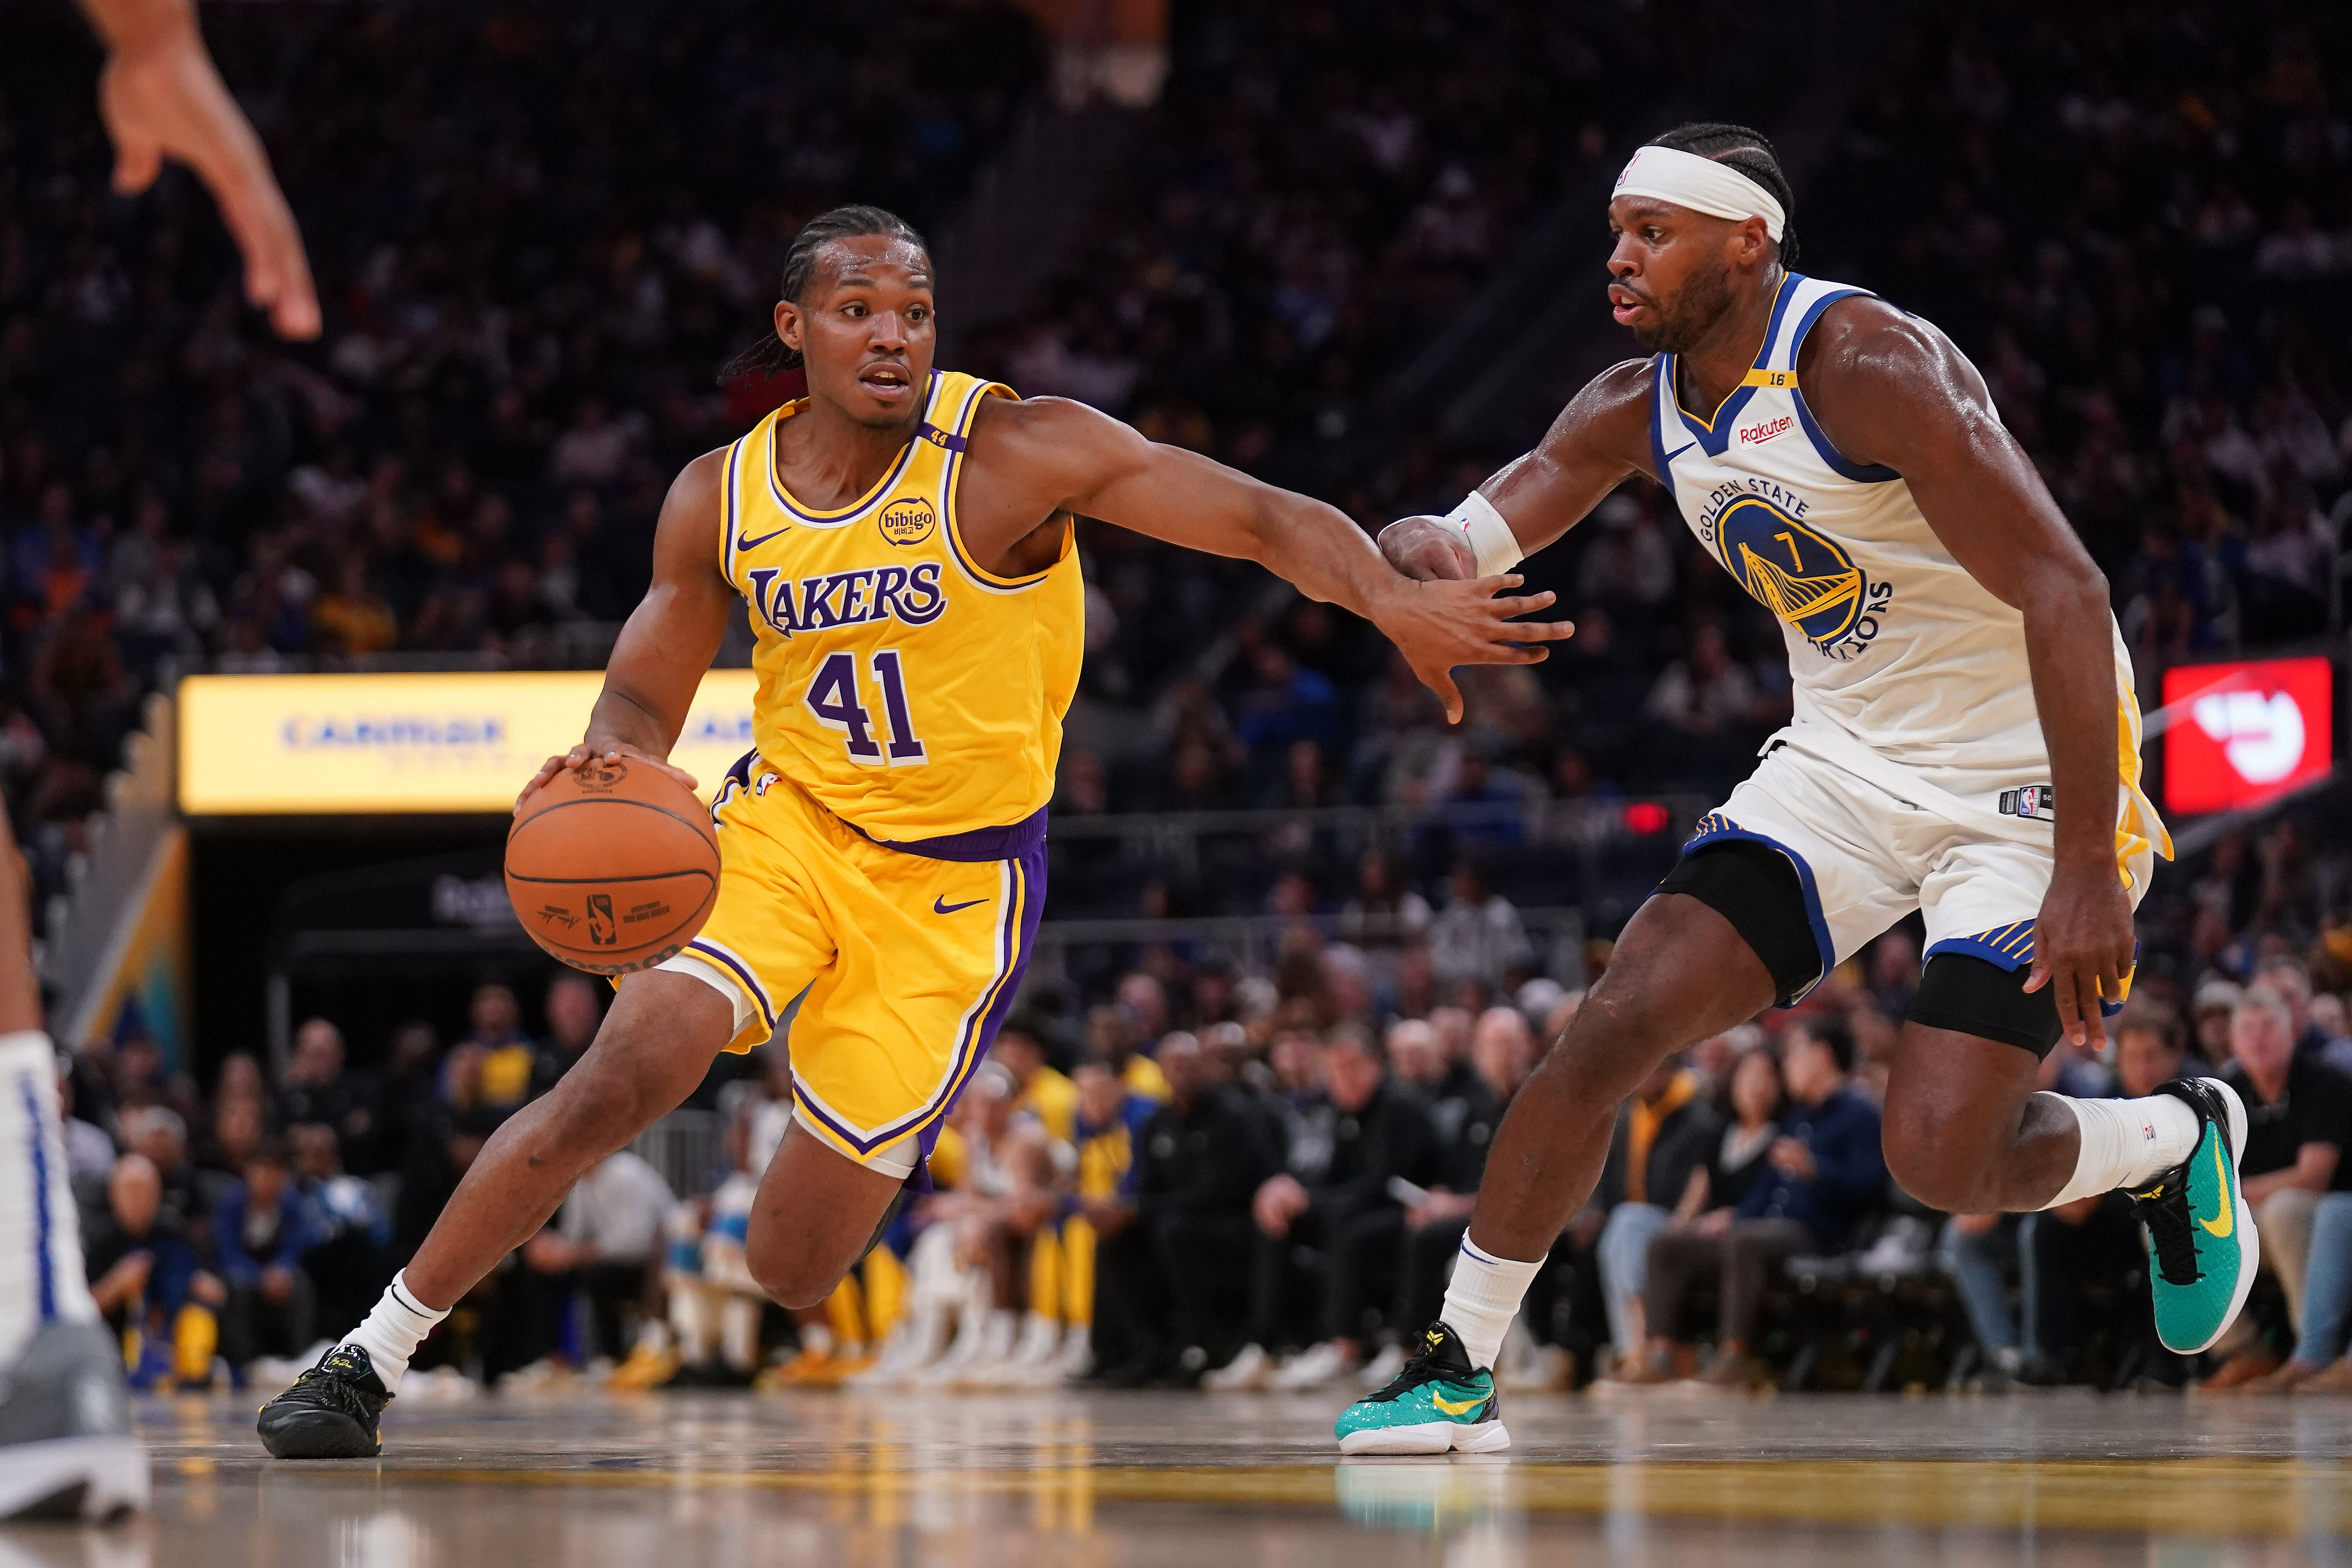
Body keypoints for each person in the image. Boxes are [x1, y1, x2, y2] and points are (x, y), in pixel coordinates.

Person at [263, 202, 1557, 1457]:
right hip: (786, 829)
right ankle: (370, 1355)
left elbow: (1261, 517)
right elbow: (647, 684)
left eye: (916, 312)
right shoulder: (719, 494)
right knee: (620, 1075)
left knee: (790, 1269)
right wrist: (620, 755)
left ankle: (820, 1083)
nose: (893, 334)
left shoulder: (1014, 450)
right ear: (797, 328)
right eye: (858, 308)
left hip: (953, 892)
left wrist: (1385, 597)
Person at [1338, 122, 2247, 1455]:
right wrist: (1418, 550)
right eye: (1615, 230)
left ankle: (2172, 1137)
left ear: (1745, 242)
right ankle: (1459, 1366)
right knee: (1608, 1025)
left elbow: (2069, 588)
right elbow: (1496, 512)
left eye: (1653, 232)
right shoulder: (1630, 403)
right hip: (1840, 762)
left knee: (1937, 1157)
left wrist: (2086, 869)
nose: (1619, 258)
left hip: (2023, 774)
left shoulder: (1870, 367)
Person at [1617, 1021, 1884, 1391]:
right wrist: (1732, 1216)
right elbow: (1766, 1188)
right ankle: (1661, 1356)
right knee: (1668, 1244)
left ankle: (1734, 1358)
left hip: (1820, 1234)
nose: (1788, 1064)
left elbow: (1872, 1187)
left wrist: (1816, 1169)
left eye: (1794, 1053)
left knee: (1744, 1241)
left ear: (1822, 1054)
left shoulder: (1860, 1113)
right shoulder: (1798, 1118)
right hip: (1765, 1228)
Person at [2194, 986, 2352, 1391]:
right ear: (2233, 1042)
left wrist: (2238, 1192)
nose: (2259, 1037)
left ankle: (2312, 1349)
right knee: (2175, 1223)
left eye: (2269, 1027)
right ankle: (2244, 1350)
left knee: (2287, 1209)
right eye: (2248, 1029)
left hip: (2316, 1210)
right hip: (2253, 1213)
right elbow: (2205, 1174)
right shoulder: (2223, 1092)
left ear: (2291, 1034)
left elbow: (2313, 1176)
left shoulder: (2323, 1080)